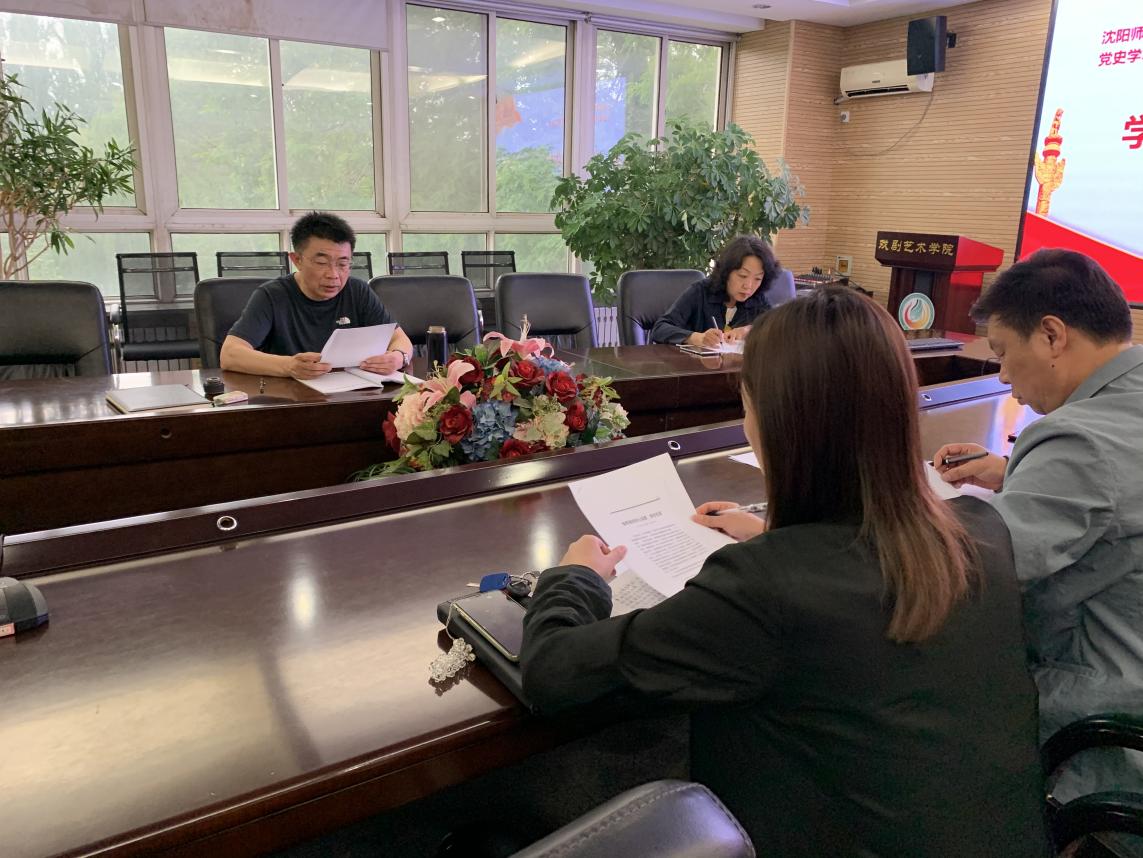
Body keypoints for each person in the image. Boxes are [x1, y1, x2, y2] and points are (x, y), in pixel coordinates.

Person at [522, 287, 1048, 857]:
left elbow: (554, 673)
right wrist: (776, 536)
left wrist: (575, 577)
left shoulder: (765, 588)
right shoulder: (981, 530)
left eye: (747, 406)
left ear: (778, 424)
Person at [934, 248, 1143, 799]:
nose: (1003, 376)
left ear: (1052, 335)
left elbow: (970, 562)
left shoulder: (1081, 439)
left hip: (1104, 724)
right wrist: (1012, 473)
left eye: (1003, 353)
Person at [220, 211, 414, 379]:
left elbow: (400, 339)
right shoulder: (272, 296)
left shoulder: (358, 291)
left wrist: (398, 357)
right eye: (322, 263)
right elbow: (229, 355)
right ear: (297, 260)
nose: (333, 274)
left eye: (343, 264)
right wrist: (288, 366)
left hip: (351, 393)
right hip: (291, 397)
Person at [650, 235, 780, 347]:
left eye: (757, 279)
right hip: (695, 366)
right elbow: (660, 328)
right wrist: (697, 338)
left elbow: (780, 332)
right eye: (743, 276)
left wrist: (750, 330)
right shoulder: (700, 292)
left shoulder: (758, 300)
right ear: (727, 272)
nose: (749, 286)